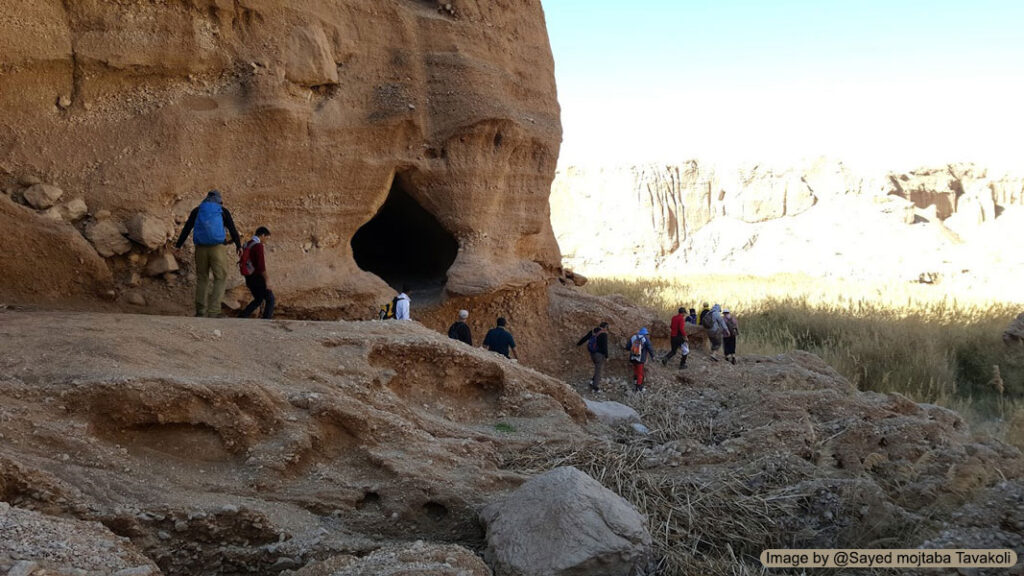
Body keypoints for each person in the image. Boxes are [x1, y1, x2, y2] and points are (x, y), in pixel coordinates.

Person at [174, 189, 242, 318]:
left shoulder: (197, 210)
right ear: (219, 200)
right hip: (217, 248)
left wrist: (178, 245)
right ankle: (214, 311)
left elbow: (187, 228)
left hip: (200, 248)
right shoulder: (222, 211)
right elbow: (233, 230)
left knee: (202, 278)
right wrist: (239, 246)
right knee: (220, 278)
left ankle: (200, 311)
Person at [238, 227, 275, 319]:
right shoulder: (258, 246)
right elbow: (261, 266)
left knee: (258, 299)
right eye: (266, 238)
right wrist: (267, 280)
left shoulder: (247, 244)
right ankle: (266, 320)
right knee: (270, 299)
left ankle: (243, 316)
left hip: (248, 277)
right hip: (257, 277)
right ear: (262, 235)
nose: (266, 241)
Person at [576, 321, 610, 392]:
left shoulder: (593, 331)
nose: (607, 329)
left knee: (597, 367)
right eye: (607, 327)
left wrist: (578, 344)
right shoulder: (604, 334)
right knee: (598, 370)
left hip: (592, 353)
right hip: (599, 354)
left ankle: (592, 381)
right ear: (605, 327)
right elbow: (605, 346)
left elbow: (585, 338)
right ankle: (595, 387)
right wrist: (606, 356)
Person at [625, 327, 656, 392]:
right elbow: (649, 347)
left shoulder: (633, 337)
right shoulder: (645, 339)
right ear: (645, 333)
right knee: (640, 373)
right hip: (640, 359)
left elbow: (627, 347)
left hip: (633, 358)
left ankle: (635, 384)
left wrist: (634, 350)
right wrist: (653, 356)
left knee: (636, 371)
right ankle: (638, 388)